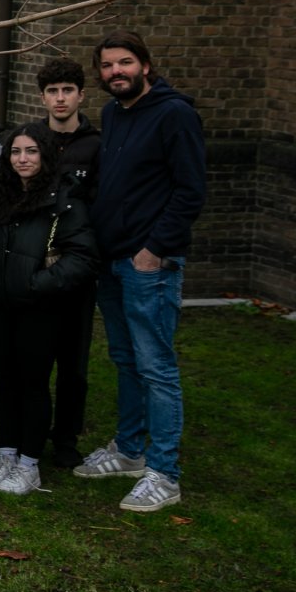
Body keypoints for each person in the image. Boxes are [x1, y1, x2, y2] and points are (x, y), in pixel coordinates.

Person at [74, 29, 205, 513]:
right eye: (107, 66)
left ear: (145, 65)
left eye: (125, 63)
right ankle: (130, 450)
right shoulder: (113, 113)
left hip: (149, 263)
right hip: (112, 260)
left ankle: (164, 472)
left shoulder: (175, 115)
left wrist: (154, 251)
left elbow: (190, 192)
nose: (116, 73)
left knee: (157, 367)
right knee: (126, 361)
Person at [0, 125, 101, 495]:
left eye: (31, 151)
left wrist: (38, 285)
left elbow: (82, 256)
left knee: (33, 382)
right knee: (4, 381)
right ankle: (6, 453)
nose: (23, 159)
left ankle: (29, 462)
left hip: (39, 309)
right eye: (16, 152)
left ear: (46, 156)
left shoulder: (64, 198)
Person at [29, 57, 102, 467]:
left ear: (80, 95)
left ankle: (67, 438)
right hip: (36, 263)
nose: (60, 98)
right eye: (53, 91)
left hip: (76, 267)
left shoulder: (95, 145)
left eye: (67, 91)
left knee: (74, 363)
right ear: (43, 97)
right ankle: (32, 435)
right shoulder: (30, 139)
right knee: (34, 358)